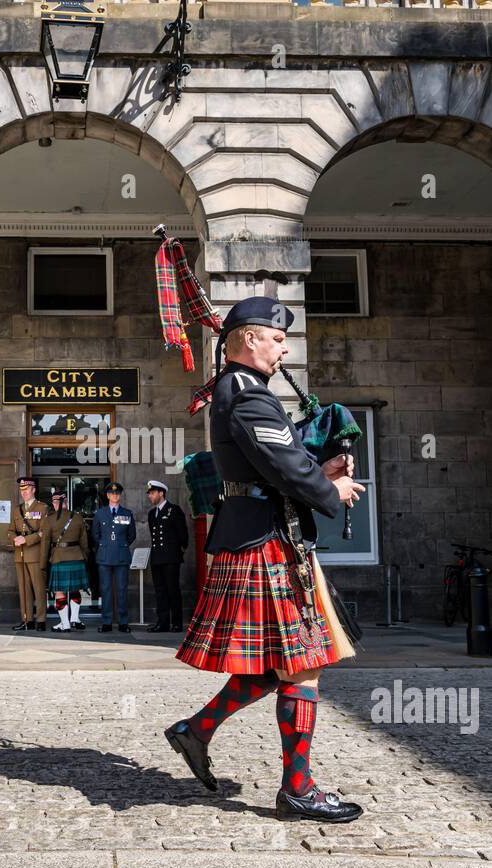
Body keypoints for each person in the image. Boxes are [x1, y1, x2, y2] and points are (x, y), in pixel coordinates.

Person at [162, 296, 368, 823]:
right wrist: (331, 487)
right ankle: (297, 789)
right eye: (277, 339)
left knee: (286, 663)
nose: (283, 350)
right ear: (249, 338)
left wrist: (318, 458)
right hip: (263, 543)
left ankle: (197, 730)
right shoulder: (248, 395)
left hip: (261, 535)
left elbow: (280, 456)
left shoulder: (242, 391)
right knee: (304, 663)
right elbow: (282, 467)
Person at [40, 488, 90, 632]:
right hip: (77, 557)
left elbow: (45, 544)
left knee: (59, 592)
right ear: (66, 502)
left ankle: (65, 623)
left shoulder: (49, 520)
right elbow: (84, 542)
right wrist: (84, 556)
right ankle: (74, 618)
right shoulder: (78, 517)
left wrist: (43, 564)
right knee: (75, 589)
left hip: (59, 558)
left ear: (55, 503)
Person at [91, 481, 135, 633]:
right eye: (112, 493)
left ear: (120, 496)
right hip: (104, 556)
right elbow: (95, 535)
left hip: (121, 556)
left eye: (117, 493)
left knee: (122, 589)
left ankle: (123, 622)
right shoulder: (100, 514)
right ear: (108, 496)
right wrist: (106, 545)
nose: (115, 495)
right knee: (106, 589)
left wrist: (120, 545)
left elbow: (131, 535)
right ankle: (107, 622)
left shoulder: (127, 513)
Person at [145, 479, 189, 633]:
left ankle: (176, 623)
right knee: (160, 591)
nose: (150, 496)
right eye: (149, 493)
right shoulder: (152, 514)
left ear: (161, 493)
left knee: (173, 590)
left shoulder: (174, 510)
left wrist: (178, 551)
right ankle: (162, 622)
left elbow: (183, 535)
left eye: (152, 493)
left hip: (171, 557)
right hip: (157, 557)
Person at [10, 476, 51, 631]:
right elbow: (10, 530)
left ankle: (40, 620)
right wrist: (14, 538)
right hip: (19, 555)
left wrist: (25, 540)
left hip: (35, 555)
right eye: (22, 490)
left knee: (39, 588)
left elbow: (43, 532)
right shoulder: (17, 510)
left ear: (33, 490)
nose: (24, 493)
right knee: (24, 589)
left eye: (26, 490)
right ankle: (27, 620)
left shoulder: (42, 508)